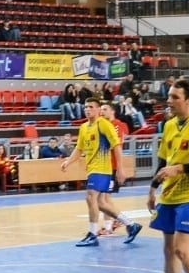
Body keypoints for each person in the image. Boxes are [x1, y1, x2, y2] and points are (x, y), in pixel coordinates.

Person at [144, 79, 189, 273]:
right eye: (169, 96)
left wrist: (181, 169)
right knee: (168, 251)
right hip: (169, 195)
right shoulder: (168, 126)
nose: (169, 101)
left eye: (175, 97)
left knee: (181, 249)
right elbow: (164, 161)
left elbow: (177, 166)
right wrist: (153, 188)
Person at [60, 98, 141, 247]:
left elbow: (117, 146)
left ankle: (92, 234)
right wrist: (68, 162)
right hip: (91, 169)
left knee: (90, 197)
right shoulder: (84, 127)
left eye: (91, 107)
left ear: (98, 110)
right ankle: (131, 225)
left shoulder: (104, 125)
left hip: (103, 168)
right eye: (85, 107)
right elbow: (79, 149)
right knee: (101, 203)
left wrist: (121, 169)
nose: (87, 109)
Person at [97, 101, 129, 235]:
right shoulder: (102, 126)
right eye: (101, 109)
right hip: (104, 166)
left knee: (105, 197)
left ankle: (112, 225)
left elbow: (116, 144)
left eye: (105, 109)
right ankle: (115, 220)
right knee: (103, 197)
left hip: (113, 166)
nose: (102, 112)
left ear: (112, 111)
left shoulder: (118, 125)